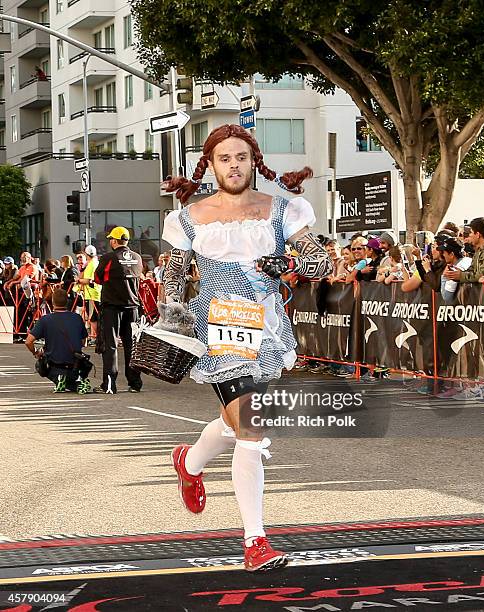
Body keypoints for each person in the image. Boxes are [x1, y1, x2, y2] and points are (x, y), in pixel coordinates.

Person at [161, 124, 331, 572]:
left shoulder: (282, 209)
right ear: (209, 165)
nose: (233, 165)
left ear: (254, 160)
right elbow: (176, 276)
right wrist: (169, 315)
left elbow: (320, 260)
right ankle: (255, 541)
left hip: (269, 330)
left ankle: (190, 460)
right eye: (224, 158)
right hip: (220, 327)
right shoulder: (188, 218)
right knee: (253, 425)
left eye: (241, 157)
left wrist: (290, 261)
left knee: (240, 421)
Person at [94, 226, 143, 394]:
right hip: (133, 307)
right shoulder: (137, 257)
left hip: (112, 307)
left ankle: (109, 384)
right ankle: (135, 382)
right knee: (132, 345)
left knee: (111, 345)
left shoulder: (108, 258)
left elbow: (98, 278)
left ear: (114, 241)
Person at [25, 288, 90, 394]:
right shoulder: (77, 318)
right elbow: (83, 342)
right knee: (78, 368)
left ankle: (59, 378)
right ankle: (76, 381)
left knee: (39, 364)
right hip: (75, 362)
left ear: (53, 302)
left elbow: (28, 341)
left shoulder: (45, 320)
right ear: (67, 302)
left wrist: (36, 353)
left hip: (54, 362)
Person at [444, 217, 484, 284]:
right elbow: (472, 270)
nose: (469, 236)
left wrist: (461, 276)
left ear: (477, 235)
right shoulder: (479, 251)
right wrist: (456, 273)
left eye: (471, 232)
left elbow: (482, 274)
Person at [77, 245, 101, 344]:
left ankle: (96, 337)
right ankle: (95, 337)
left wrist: (78, 280)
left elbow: (89, 280)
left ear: (86, 254)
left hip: (92, 294)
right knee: (93, 317)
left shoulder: (91, 264)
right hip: (94, 293)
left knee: (92, 317)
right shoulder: (95, 263)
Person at [439, 237, 472, 303]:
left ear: (451, 255)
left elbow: (447, 297)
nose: (443, 254)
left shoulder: (456, 269)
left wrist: (444, 277)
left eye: (444, 252)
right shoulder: (469, 260)